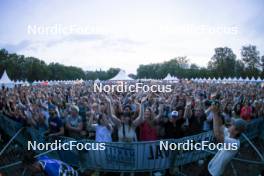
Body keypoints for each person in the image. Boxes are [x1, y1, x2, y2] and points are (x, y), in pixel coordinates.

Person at [202, 104, 247, 176]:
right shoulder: (230, 135)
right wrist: (218, 113)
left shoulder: (235, 144)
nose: (230, 125)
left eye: (232, 125)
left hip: (213, 173)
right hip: (210, 166)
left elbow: (217, 135)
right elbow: (220, 126)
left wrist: (214, 113)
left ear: (236, 131)